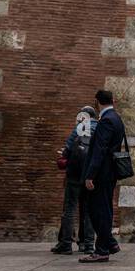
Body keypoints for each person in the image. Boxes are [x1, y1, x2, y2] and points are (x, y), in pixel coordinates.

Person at [78, 89, 127, 263]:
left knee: (98, 210)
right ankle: (110, 243)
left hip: (102, 173)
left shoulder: (106, 120)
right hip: (109, 172)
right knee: (102, 209)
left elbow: (99, 150)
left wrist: (90, 175)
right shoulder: (116, 118)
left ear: (97, 102)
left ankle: (102, 250)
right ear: (112, 100)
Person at [52, 105, 97, 255]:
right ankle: (88, 245)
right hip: (91, 175)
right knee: (89, 210)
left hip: (74, 174)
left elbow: (67, 150)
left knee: (70, 209)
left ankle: (66, 244)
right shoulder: (99, 128)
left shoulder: (79, 128)